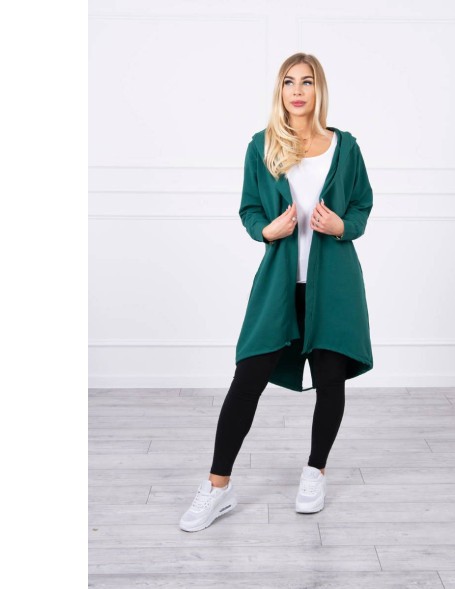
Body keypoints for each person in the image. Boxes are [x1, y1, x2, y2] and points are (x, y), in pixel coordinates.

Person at [180, 53, 374, 532]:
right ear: (280, 91)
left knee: (331, 380)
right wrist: (266, 231)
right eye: (289, 82)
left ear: (319, 89)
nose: (298, 91)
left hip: (335, 286)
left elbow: (363, 205)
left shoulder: (345, 147)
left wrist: (342, 225)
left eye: (307, 82)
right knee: (248, 377)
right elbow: (249, 208)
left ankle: (315, 471)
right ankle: (217, 487)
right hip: (278, 285)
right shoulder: (262, 145)